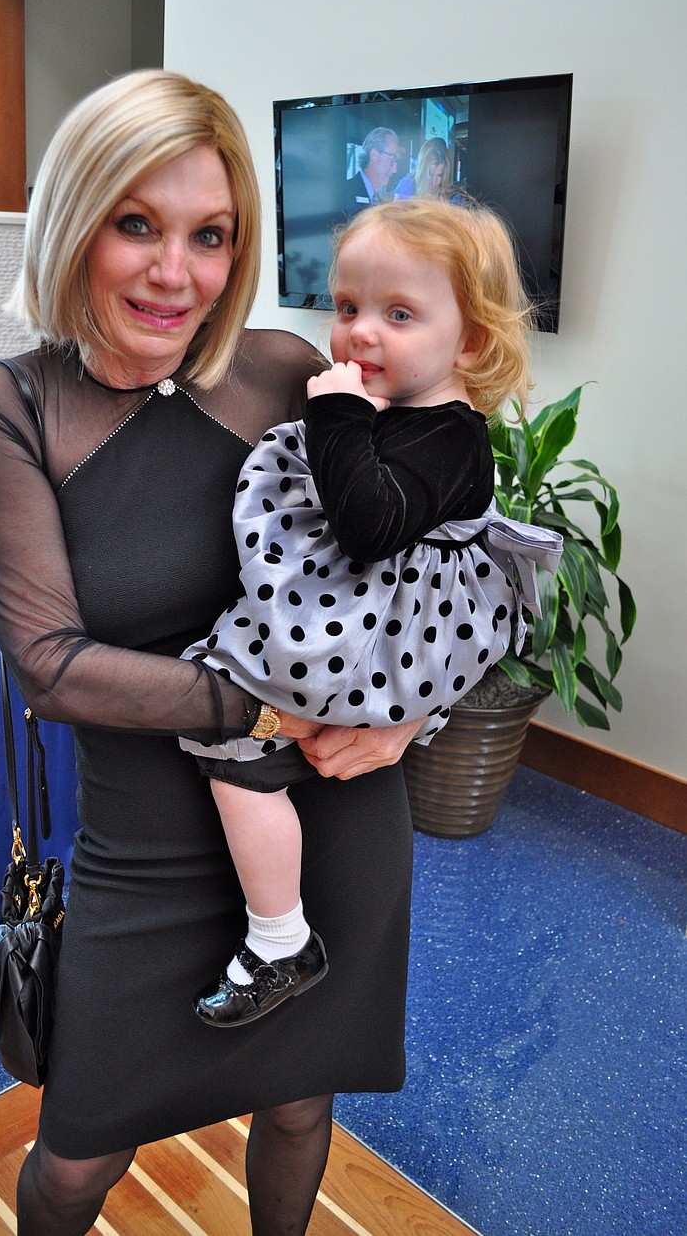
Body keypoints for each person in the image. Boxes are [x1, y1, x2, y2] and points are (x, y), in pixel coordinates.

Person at [0, 70, 424, 1236]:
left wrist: (416, 714)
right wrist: (268, 712)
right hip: (145, 849)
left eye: (209, 235)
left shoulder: (278, 372)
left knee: (302, 1100)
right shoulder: (12, 403)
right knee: (75, 1156)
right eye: (136, 224)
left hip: (331, 820)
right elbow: (50, 665)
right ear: (73, 221)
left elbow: (436, 551)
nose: (177, 274)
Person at [180, 196, 562, 1028]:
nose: (359, 332)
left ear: (470, 339)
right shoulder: (407, 413)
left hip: (385, 634)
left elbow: (368, 525)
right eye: (348, 307)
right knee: (242, 742)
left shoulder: (453, 435)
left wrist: (340, 415)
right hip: (374, 622)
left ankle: (280, 938)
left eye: (398, 313)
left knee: (221, 729)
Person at [342, 126, 401, 214]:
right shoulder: (345, 194)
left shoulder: (381, 201)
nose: (394, 169)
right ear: (374, 155)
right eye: (392, 159)